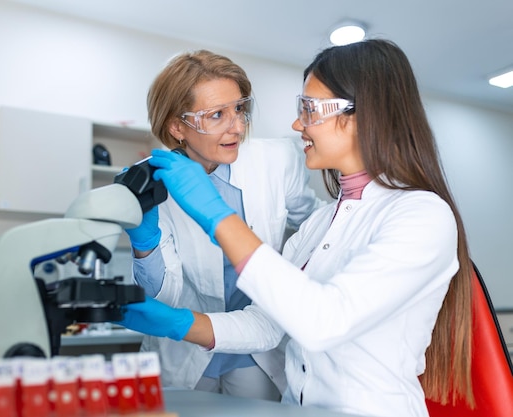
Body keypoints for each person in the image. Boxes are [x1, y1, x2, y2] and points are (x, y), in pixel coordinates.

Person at [118, 39, 474, 417]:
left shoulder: (422, 215)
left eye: (310, 109)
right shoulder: (321, 222)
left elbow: (324, 321)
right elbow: (269, 324)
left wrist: (216, 215)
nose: (296, 124)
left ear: (362, 116)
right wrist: (178, 323)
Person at [124, 49, 324, 400]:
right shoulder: (158, 185)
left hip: (258, 345)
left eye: (239, 109)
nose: (237, 126)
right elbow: (166, 295)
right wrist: (144, 240)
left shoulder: (279, 160)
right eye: (217, 114)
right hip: (187, 349)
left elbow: (315, 226)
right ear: (176, 127)